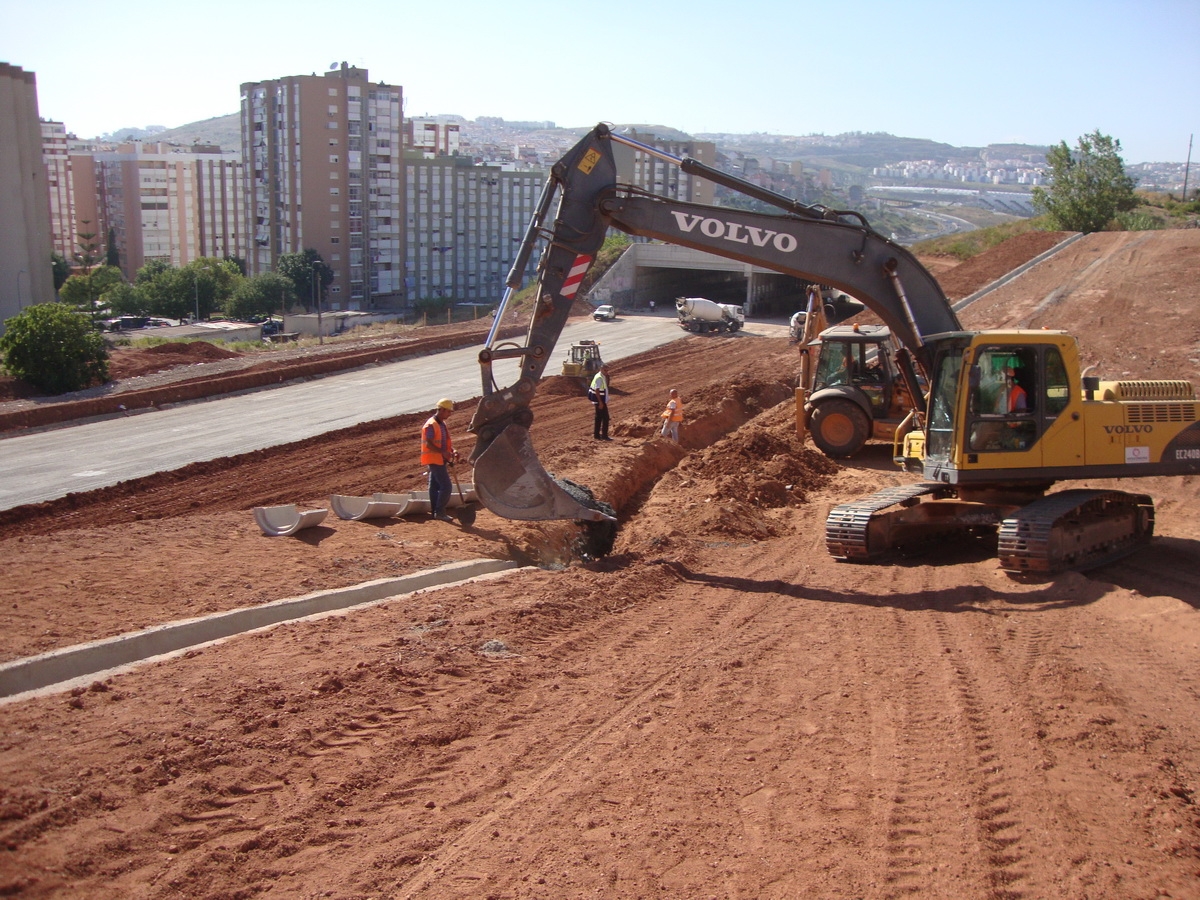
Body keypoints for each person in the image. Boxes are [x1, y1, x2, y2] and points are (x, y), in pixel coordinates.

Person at [421, 398, 459, 522]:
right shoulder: (431, 425)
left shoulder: (441, 424)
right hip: (434, 459)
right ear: (441, 410)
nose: (449, 414)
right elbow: (429, 443)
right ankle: (440, 512)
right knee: (446, 486)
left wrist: (452, 450)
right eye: (448, 412)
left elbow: (444, 442)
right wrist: (442, 452)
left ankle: (435, 511)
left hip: (439, 458)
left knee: (434, 486)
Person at [589, 364, 611, 440]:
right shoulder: (599, 378)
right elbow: (597, 390)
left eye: (607, 370)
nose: (607, 372)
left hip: (599, 400)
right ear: (601, 369)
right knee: (606, 418)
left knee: (598, 418)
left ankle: (597, 435)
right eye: (605, 370)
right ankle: (604, 436)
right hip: (600, 401)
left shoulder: (600, 376)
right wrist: (600, 402)